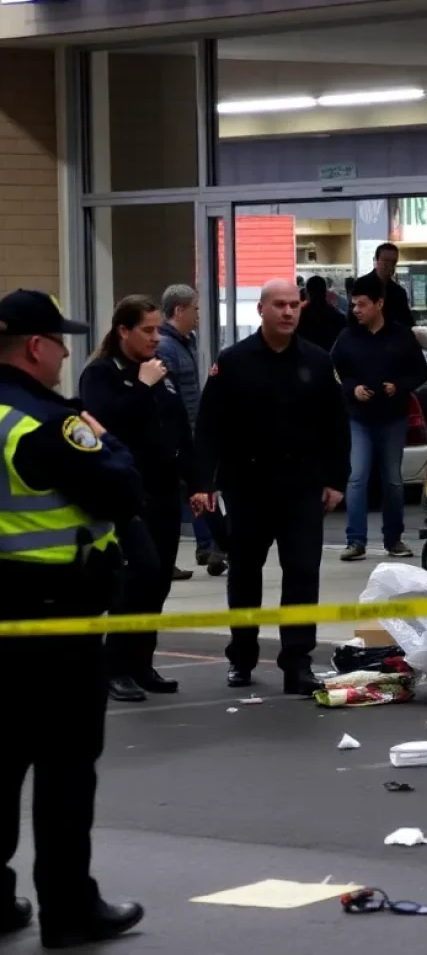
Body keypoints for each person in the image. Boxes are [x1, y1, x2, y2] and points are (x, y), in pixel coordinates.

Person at [0, 290, 145, 948]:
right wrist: (106, 440)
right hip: (56, 619)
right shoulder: (46, 422)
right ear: (35, 347)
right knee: (64, 768)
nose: (64, 353)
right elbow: (121, 488)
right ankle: (69, 909)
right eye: (58, 342)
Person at [194, 279, 349, 694]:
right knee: (244, 575)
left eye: (293, 305)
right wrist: (203, 482)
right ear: (260, 309)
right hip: (248, 486)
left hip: (302, 487)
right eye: (278, 305)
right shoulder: (233, 362)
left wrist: (337, 480)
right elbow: (208, 427)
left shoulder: (317, 361)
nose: (287, 312)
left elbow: (338, 426)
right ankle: (241, 657)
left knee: (302, 575)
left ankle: (297, 662)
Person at [80, 295, 199, 703]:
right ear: (123, 331)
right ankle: (116, 667)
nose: (155, 337)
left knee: (159, 579)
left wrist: (197, 482)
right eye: (146, 330)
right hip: (127, 495)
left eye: (156, 329)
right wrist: (140, 384)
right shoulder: (101, 374)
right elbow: (106, 424)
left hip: (165, 490)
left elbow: (179, 429)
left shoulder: (160, 374)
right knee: (135, 578)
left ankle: (142, 661)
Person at [332, 273, 427, 562]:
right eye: (353, 305)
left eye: (362, 304)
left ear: (379, 303)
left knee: (393, 481)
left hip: (393, 418)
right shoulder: (347, 337)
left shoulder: (401, 336)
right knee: (357, 477)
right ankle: (355, 541)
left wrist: (399, 386)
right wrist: (352, 388)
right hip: (358, 419)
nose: (356, 310)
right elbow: (333, 371)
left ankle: (394, 539)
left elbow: (420, 372)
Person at [156, 284, 225, 576]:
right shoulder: (165, 347)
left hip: (192, 430)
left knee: (199, 489)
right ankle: (210, 546)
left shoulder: (187, 342)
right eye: (195, 309)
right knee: (184, 492)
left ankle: (210, 546)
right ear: (179, 310)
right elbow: (166, 393)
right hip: (177, 434)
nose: (198, 315)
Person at [347, 243, 415, 328]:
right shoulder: (361, 285)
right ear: (376, 261)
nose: (389, 266)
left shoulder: (399, 292)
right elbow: (353, 317)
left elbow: (407, 321)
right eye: (385, 261)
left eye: (393, 262)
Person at [296, 275, 347, 353]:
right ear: (325, 292)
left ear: (307, 292)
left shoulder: (299, 316)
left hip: (306, 358)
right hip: (330, 359)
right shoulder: (339, 316)